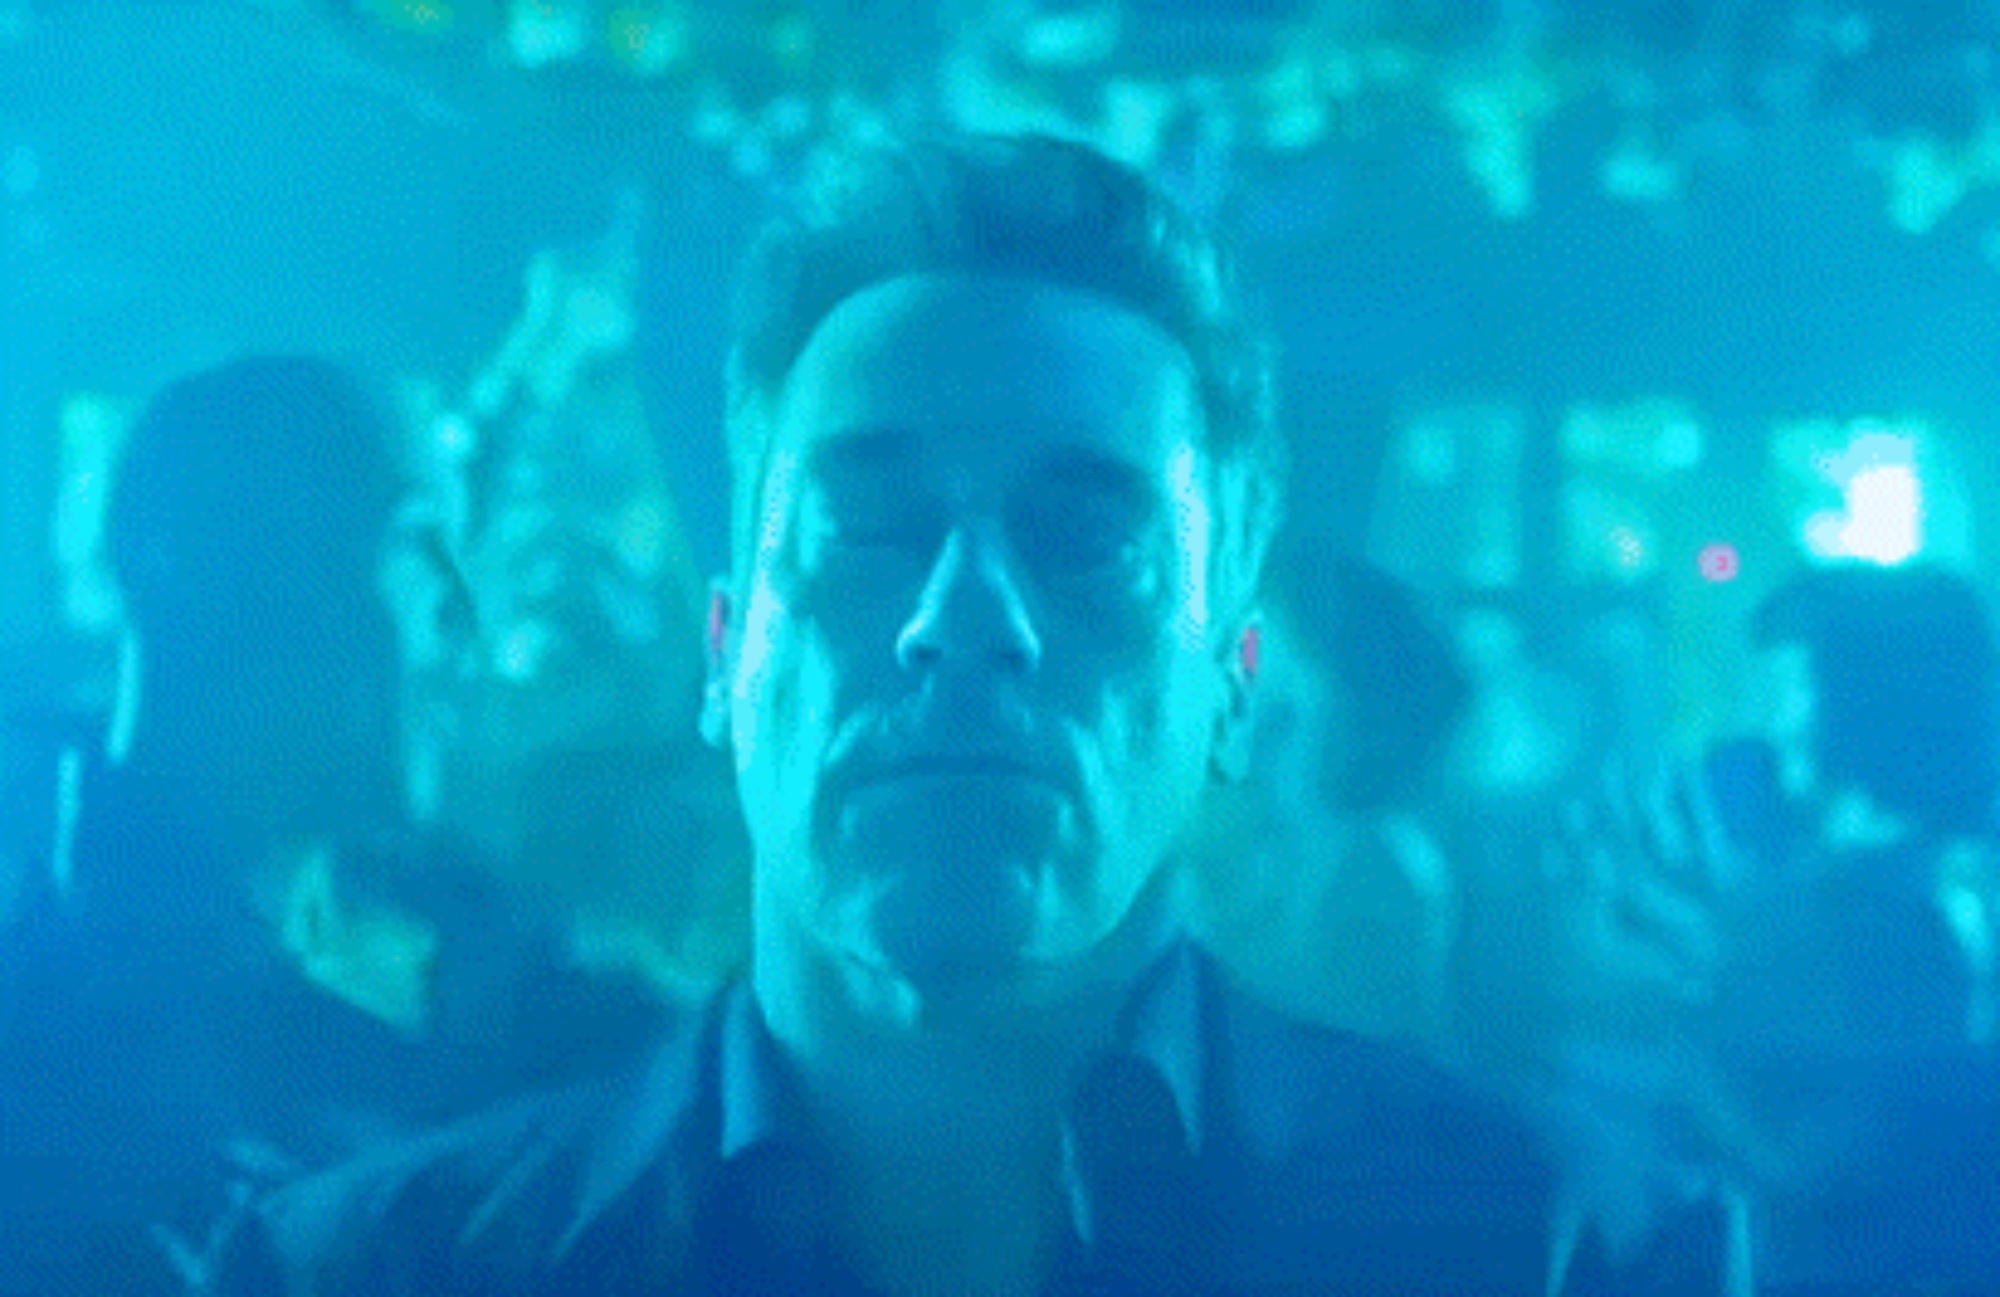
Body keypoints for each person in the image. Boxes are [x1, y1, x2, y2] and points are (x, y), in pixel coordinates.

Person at [208, 132, 1741, 1296]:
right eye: (868, 527)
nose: (962, 616)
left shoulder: (1566, 1257)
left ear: (1231, 682)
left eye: (1085, 537)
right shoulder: (369, 1273)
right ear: (727, 658)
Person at [0, 357, 654, 1296]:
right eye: (408, 538)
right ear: (180, 560)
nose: (459, 612)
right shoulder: (49, 1047)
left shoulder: (496, 969)